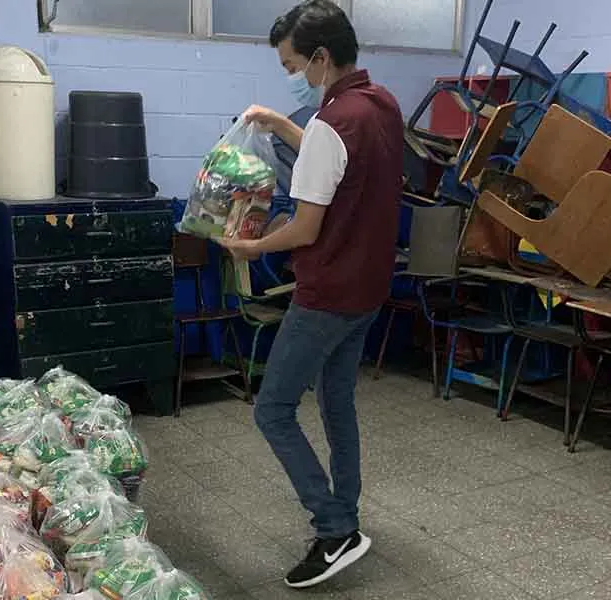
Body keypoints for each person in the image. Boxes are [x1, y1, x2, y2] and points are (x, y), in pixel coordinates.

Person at [217, 0, 404, 589]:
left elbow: (304, 227)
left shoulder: (331, 122)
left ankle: (333, 528)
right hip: (370, 287)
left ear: (321, 57)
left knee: (273, 409)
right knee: (337, 401)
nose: (295, 74)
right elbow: (336, 161)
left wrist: (251, 248)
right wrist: (280, 124)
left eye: (295, 64)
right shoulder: (381, 105)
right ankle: (345, 516)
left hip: (327, 295)